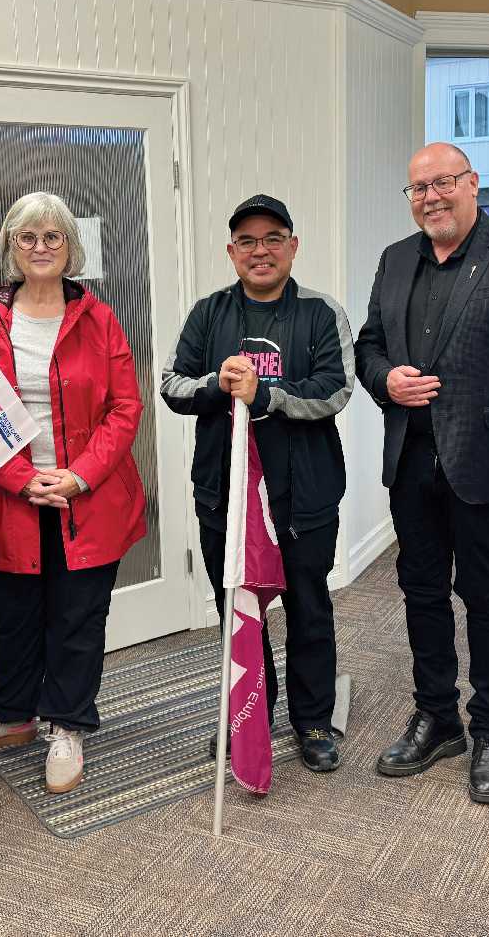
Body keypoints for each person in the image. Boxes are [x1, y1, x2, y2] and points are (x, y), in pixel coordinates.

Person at [354, 142, 489, 802]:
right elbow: (368, 345)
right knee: (420, 593)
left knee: (487, 597)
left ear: (472, 183)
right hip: (411, 460)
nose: (431, 198)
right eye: (419, 189)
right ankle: (437, 716)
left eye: (443, 183)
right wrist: (385, 380)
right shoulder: (396, 259)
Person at [0, 191, 146, 794]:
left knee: (77, 618)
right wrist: (21, 478)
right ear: (11, 246)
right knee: (12, 618)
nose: (40, 247)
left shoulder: (99, 319)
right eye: (28, 237)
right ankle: (12, 715)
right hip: (8, 497)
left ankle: (68, 724)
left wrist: (77, 476)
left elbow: (125, 407)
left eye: (52, 237)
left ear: (69, 247)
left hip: (88, 497)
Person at [160, 194, 354, 771]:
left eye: (272, 239)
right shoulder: (208, 313)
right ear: (231, 252)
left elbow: (335, 390)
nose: (260, 251)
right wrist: (217, 385)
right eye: (247, 241)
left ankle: (313, 721)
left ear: (293, 247)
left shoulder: (321, 312)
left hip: (304, 496)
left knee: (308, 607)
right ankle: (250, 713)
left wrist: (266, 395)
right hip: (226, 495)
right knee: (238, 607)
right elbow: (172, 385)